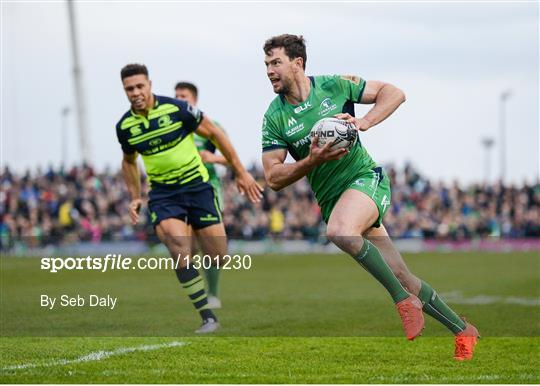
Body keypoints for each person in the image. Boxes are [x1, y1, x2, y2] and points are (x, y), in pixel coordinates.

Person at [260, 34, 479, 360]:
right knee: (403, 276)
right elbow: (273, 176)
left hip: (366, 180)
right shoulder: (275, 117)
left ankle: (402, 302)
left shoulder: (335, 86)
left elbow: (394, 93)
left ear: (298, 63)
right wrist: (311, 161)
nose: (269, 71)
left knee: (340, 231)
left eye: (275, 62)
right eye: (266, 64)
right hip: (334, 200)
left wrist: (364, 121)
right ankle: (463, 332)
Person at [116, 63, 262, 333]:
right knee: (178, 248)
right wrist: (135, 196)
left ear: (149, 84)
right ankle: (207, 317)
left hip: (198, 187)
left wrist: (241, 172)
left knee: (218, 256)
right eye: (129, 89)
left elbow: (215, 134)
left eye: (139, 86)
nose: (135, 92)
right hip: (163, 194)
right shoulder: (125, 126)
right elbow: (128, 161)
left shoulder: (177, 109)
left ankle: (201, 254)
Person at [175, 81, 229, 309]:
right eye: (176, 95)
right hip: (179, 191)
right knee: (187, 247)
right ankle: (198, 293)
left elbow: (230, 157)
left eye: (183, 95)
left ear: (194, 100)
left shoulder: (209, 125)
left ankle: (213, 294)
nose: (179, 99)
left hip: (208, 189)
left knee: (212, 248)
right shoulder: (171, 128)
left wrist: (213, 157)